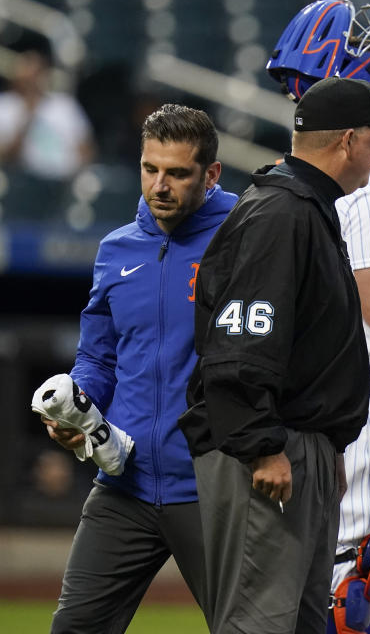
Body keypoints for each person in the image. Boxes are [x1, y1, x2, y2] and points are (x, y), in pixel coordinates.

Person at [178, 76, 370, 634]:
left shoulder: (306, 206)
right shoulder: (282, 213)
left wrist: (324, 446)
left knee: (302, 622)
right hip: (268, 450)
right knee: (260, 621)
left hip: (300, 445)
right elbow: (239, 347)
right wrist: (264, 449)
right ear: (349, 141)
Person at [31, 104, 236, 632]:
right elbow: (98, 357)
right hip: (124, 483)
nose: (159, 185)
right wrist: (76, 408)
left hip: (212, 488)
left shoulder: (246, 236)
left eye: (177, 172)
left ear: (211, 174)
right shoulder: (115, 250)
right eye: (150, 169)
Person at [266, 1, 370, 632]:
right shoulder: (363, 187)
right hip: (356, 397)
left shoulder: (302, 182)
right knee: (354, 586)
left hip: (328, 396)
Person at [0, 46, 94, 180]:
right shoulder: (4, 106)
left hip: (65, 182)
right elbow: (6, 157)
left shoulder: (64, 105)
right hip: (24, 180)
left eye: (37, 74)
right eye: (28, 77)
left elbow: (86, 149)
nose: (32, 82)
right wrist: (28, 116)